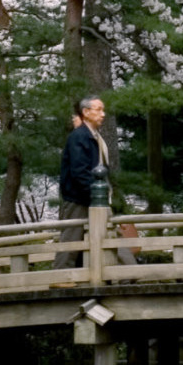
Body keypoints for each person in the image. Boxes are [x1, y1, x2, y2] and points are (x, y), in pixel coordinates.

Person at [58, 95, 115, 268]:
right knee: (71, 237)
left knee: (109, 232)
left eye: (103, 110)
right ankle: (61, 275)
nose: (103, 114)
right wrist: (95, 194)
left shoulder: (93, 136)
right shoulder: (80, 137)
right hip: (80, 197)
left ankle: (129, 273)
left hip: (93, 197)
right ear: (86, 112)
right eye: (98, 110)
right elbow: (79, 172)